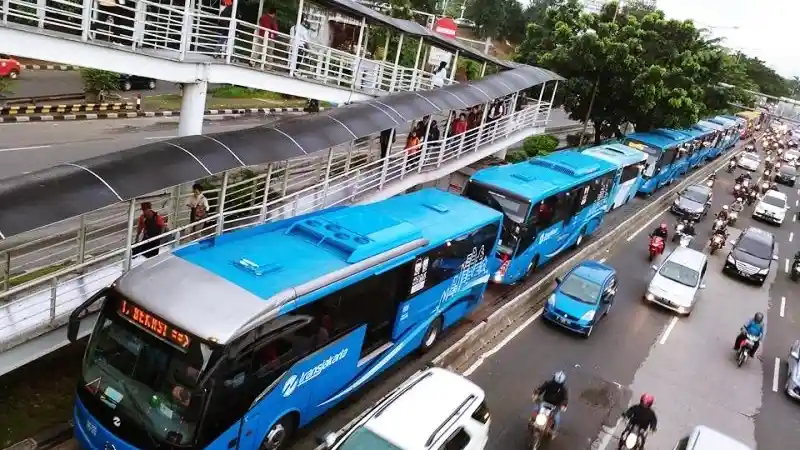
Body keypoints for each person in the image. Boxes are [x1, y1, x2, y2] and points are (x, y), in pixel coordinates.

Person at [531, 371, 569, 437]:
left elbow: (565, 398)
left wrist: (563, 405)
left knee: (557, 418)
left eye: (558, 384)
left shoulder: (564, 390)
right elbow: (541, 389)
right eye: (555, 383)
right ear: (553, 379)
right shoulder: (548, 383)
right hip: (544, 402)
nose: (556, 385)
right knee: (535, 410)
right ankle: (531, 422)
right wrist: (536, 393)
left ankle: (554, 431)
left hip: (555, 406)